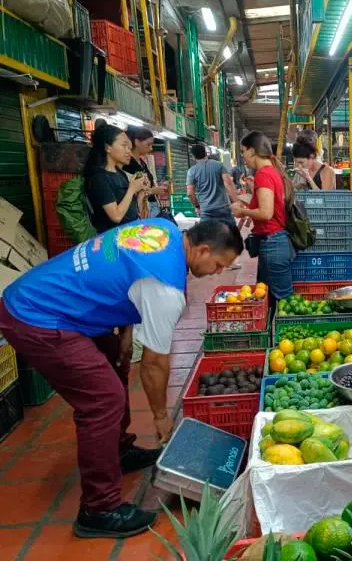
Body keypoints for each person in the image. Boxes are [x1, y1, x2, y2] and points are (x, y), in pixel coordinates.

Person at [0, 219, 243, 539]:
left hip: (50, 295)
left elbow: (122, 269)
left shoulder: (163, 230)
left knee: (115, 359)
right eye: (218, 265)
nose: (217, 272)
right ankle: (98, 509)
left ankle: (119, 450)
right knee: (103, 399)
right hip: (38, 315)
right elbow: (154, 363)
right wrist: (161, 418)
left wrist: (125, 328)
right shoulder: (165, 287)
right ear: (202, 249)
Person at [233, 131, 295, 303]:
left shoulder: (264, 174)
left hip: (273, 244)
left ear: (252, 151)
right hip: (275, 243)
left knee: (283, 303)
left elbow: (266, 213)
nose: (243, 156)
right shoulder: (270, 172)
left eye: (243, 151)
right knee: (266, 300)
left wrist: (242, 212)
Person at [85, 124, 148, 233]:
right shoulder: (99, 178)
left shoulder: (119, 173)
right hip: (112, 240)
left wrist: (141, 192)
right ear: (107, 147)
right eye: (124, 146)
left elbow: (131, 212)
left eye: (129, 147)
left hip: (128, 234)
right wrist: (132, 189)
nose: (128, 151)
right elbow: (116, 216)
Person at [186, 143, 238, 224]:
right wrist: (236, 202)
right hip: (223, 208)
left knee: (207, 236)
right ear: (206, 153)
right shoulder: (219, 165)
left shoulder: (191, 171)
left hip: (206, 210)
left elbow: (190, 193)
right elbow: (228, 183)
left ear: (193, 157)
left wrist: (197, 206)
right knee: (231, 234)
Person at [123, 126, 167, 218]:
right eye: (148, 144)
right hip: (141, 210)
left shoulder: (141, 162)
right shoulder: (128, 165)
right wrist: (152, 191)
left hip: (150, 206)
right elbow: (133, 192)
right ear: (136, 142)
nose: (151, 148)